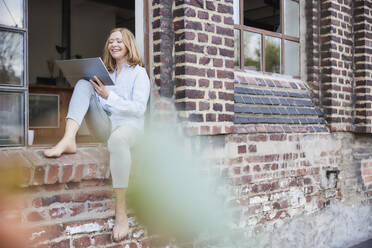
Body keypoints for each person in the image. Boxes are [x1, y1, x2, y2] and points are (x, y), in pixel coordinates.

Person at [43, 27, 150, 242]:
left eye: (119, 41)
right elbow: (101, 103)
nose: (114, 45)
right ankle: (68, 138)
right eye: (110, 41)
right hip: (107, 125)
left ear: (128, 44)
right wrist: (98, 93)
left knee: (118, 140)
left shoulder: (139, 73)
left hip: (130, 128)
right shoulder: (107, 73)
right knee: (84, 84)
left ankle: (121, 213)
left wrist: (109, 96)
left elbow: (139, 109)